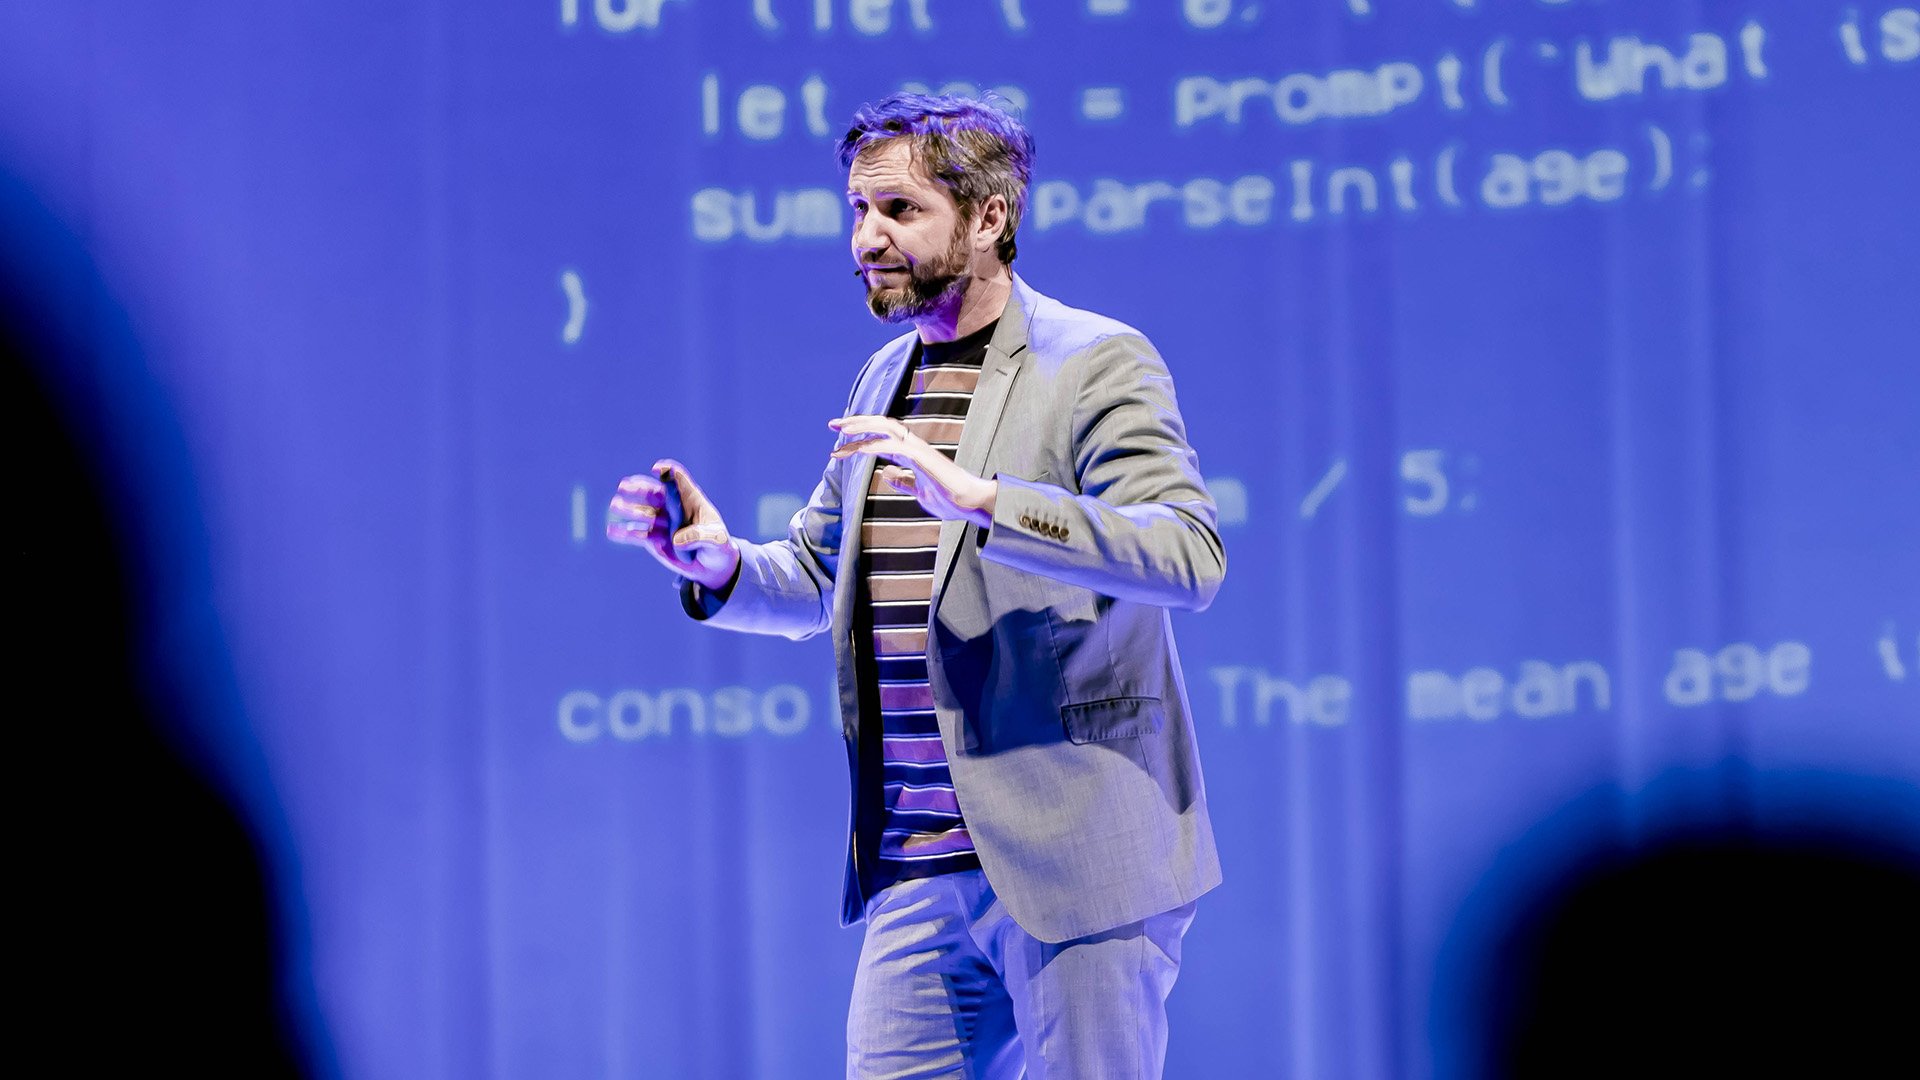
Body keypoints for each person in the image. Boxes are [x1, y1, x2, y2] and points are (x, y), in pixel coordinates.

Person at [607, 92, 1225, 1079]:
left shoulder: (1094, 362)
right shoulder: (884, 378)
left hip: (1074, 855)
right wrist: (718, 565)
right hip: (918, 861)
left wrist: (989, 501)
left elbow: (1187, 553)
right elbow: (821, 575)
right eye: (858, 209)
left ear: (990, 217)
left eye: (899, 210)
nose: (866, 238)